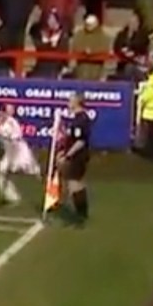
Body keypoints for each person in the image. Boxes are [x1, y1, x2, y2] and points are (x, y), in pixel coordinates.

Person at [0, 106, 40, 206]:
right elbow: (0, 138)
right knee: (1, 172)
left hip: (19, 149)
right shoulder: (1, 124)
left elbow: (7, 135)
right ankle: (12, 197)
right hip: (10, 150)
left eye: (10, 110)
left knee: (32, 170)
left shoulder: (11, 122)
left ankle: (47, 189)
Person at [57, 92, 92, 226]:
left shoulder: (81, 120)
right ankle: (82, 214)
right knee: (75, 183)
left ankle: (80, 216)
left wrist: (68, 155)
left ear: (77, 102)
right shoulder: (78, 118)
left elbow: (80, 141)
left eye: (70, 101)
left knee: (74, 184)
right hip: (76, 154)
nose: (68, 103)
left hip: (78, 156)